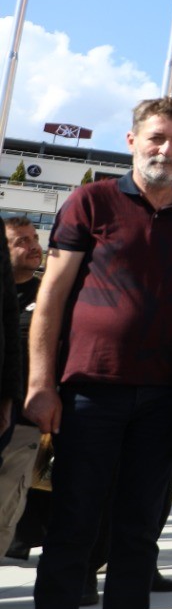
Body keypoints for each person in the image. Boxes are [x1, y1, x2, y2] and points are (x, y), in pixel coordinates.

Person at [17, 97, 172, 609]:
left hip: (161, 403)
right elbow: (51, 295)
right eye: (157, 137)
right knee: (71, 531)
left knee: (137, 536)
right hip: (88, 394)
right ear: (132, 140)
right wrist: (40, 382)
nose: (167, 150)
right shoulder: (92, 200)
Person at [0, 217, 41, 556]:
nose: (33, 246)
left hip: (24, 422)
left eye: (34, 238)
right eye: (20, 241)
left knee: (4, 511)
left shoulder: (50, 294)